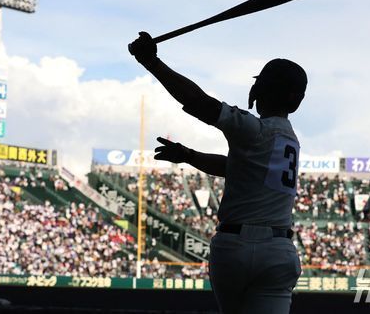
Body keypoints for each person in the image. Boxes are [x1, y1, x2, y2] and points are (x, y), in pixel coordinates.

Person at [129, 32, 307, 313]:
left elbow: (199, 102)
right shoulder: (290, 140)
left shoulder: (254, 129)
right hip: (278, 251)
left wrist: (151, 62)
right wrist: (189, 155)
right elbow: (235, 168)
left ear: (259, 91)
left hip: (234, 248)